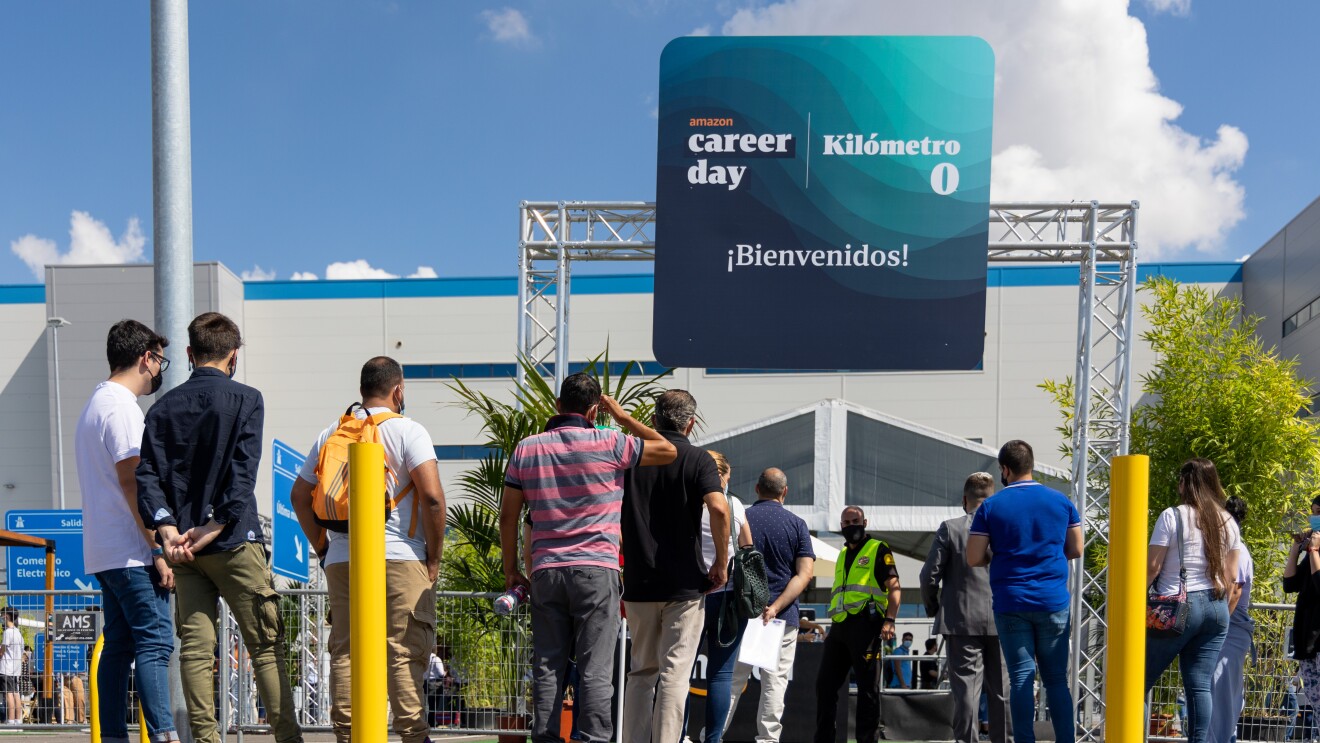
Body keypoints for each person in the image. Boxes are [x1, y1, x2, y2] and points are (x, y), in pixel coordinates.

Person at [136, 312, 302, 743]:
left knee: (194, 651)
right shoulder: (248, 400)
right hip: (232, 541)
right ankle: (288, 739)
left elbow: (147, 476)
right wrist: (213, 525)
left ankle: (206, 741)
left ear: (190, 354)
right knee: (264, 646)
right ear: (233, 355)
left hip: (184, 551)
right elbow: (242, 476)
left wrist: (167, 527)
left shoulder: (161, 408)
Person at [499, 373, 677, 743]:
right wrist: (623, 417)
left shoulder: (526, 449)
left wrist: (512, 569)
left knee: (547, 664)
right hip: (597, 570)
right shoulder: (612, 442)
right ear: (596, 409)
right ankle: (593, 738)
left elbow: (509, 514)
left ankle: (546, 737)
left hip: (547, 570)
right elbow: (668, 450)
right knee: (596, 668)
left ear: (557, 406)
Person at [290, 356, 446, 743]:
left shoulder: (333, 431)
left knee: (345, 651)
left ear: (362, 390)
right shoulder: (409, 431)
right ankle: (413, 736)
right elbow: (432, 498)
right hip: (400, 557)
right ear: (398, 390)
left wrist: (324, 549)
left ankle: (348, 736)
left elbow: (299, 495)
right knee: (403, 649)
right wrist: (434, 558)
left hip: (343, 560)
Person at [75, 319, 179, 743]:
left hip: (105, 550)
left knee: (118, 646)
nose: (159, 370)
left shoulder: (94, 404)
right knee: (156, 641)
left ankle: (115, 736)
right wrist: (157, 546)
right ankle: (165, 734)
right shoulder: (121, 407)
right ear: (146, 358)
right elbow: (133, 481)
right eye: (159, 361)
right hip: (133, 550)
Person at [621, 389, 730, 743]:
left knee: (641, 672)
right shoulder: (698, 460)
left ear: (654, 419)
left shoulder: (631, 458)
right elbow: (719, 508)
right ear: (691, 424)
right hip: (684, 584)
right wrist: (722, 563)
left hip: (638, 581)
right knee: (674, 673)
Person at [967, 439, 1082, 743]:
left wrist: (1000, 554)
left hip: (1011, 600)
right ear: (1030, 464)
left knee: (1021, 677)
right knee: (1056, 679)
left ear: (1005, 469)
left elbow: (974, 556)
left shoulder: (990, 506)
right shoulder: (1061, 501)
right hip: (1053, 600)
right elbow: (1076, 548)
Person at [1145, 458, 1240, 743]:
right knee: (1199, 687)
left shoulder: (1172, 516)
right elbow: (1232, 576)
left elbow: (1152, 567)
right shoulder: (1228, 520)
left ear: (1186, 483)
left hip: (1177, 608)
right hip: (1217, 607)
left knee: (1137, 680)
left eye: (1180, 480)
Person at [920, 471, 1011, 743]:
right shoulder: (1006, 528)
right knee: (1002, 694)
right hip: (1004, 619)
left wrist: (934, 607)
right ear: (992, 497)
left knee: (966, 694)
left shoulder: (950, 528)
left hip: (960, 620)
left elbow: (928, 576)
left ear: (964, 499)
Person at [726, 468, 815, 743]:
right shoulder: (797, 524)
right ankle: (767, 740)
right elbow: (804, 574)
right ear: (784, 492)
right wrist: (775, 607)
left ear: (756, 489)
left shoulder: (741, 518)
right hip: (780, 617)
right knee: (774, 682)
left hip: (741, 611)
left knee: (731, 682)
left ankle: (713, 735)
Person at [682, 449, 753, 743]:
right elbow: (748, 548)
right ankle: (713, 739)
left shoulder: (687, 503)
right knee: (721, 674)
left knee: (681, 673)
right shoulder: (735, 504)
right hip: (729, 599)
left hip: (691, 597)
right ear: (723, 476)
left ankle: (679, 735)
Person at [813, 505, 900, 743]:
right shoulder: (841, 554)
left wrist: (890, 620)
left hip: (867, 626)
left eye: (855, 521)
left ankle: (867, 740)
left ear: (865, 523)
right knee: (825, 685)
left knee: (867, 689)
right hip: (840, 627)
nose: (852, 527)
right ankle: (824, 739)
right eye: (847, 523)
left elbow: (894, 586)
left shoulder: (877, 549)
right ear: (841, 527)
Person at [1209, 495, 1252, 743]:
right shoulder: (1227, 548)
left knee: (1222, 694)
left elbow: (1235, 590)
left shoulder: (1238, 551)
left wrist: (1217, 624)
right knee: (1219, 692)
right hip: (1226, 628)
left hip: (1229, 629)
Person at [1284, 494, 1320, 740]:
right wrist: (1296, 549)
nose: (1314, 518)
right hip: (1308, 635)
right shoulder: (1311, 550)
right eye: (1313, 512)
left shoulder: (1316, 550)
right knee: (1315, 699)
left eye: (1318, 512)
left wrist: (1315, 550)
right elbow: (1289, 584)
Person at [2, 610, 22, 725]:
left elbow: (2, 650)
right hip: (16, 668)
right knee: (16, 693)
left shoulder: (8, 632)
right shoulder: (18, 632)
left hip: (6, 667)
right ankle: (18, 720)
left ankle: (10, 720)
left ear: (6, 616)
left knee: (8, 693)